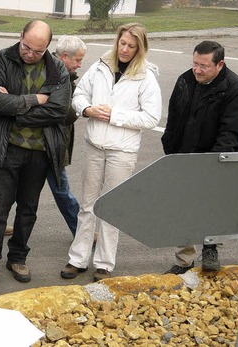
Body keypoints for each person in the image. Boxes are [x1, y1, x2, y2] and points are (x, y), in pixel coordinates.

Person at [60, 23, 162, 282]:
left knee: (113, 207)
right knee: (87, 205)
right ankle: (78, 259)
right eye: (122, 43)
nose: (125, 49)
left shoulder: (146, 76)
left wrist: (115, 116)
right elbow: (79, 94)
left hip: (122, 151)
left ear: (140, 47)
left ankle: (104, 263)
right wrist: (87, 110)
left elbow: (151, 117)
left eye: (131, 45)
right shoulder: (100, 67)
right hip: (94, 145)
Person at [0, 20, 71, 294]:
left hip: (41, 152)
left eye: (37, 51)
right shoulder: (3, 60)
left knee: (28, 210)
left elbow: (59, 110)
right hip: (7, 147)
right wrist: (34, 99)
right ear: (20, 37)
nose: (29, 54)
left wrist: (15, 103)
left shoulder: (58, 69)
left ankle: (17, 258)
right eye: (26, 47)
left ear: (48, 48)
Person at [161, 41, 238, 275]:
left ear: (220, 64)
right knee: (183, 207)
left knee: (211, 206)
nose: (197, 70)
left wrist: (213, 165)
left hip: (215, 160)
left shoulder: (236, 89)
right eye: (194, 64)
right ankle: (183, 260)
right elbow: (173, 118)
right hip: (183, 156)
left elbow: (231, 132)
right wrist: (170, 149)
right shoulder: (185, 80)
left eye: (203, 66)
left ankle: (210, 250)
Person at [48, 35, 86, 238]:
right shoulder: (56, 77)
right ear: (64, 57)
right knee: (62, 190)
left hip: (51, 143)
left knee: (20, 187)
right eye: (78, 60)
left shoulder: (59, 73)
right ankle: (82, 232)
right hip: (50, 145)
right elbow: (68, 114)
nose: (80, 64)